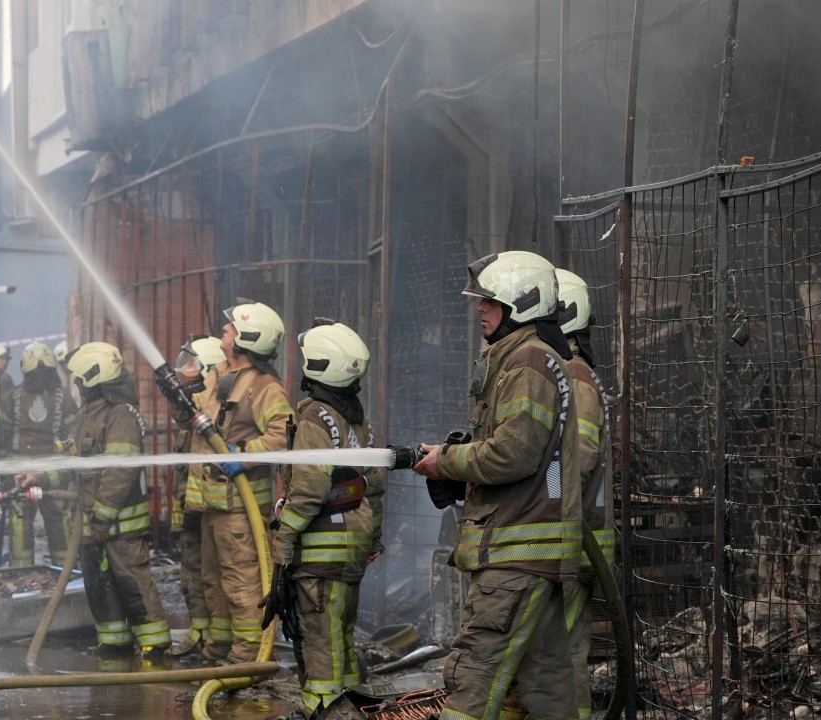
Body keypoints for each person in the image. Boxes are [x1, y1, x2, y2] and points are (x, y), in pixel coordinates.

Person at [411, 251, 582, 720]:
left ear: (521, 303)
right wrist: (456, 457)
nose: (479, 309)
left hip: (515, 552)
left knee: (473, 678)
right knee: (547, 687)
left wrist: (446, 462)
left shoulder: (526, 362)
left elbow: (514, 452)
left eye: (489, 300)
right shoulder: (531, 358)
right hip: (535, 554)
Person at [267, 319, 384, 719]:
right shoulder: (354, 418)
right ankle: (353, 704)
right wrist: (375, 537)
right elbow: (376, 481)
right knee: (342, 634)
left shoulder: (317, 416)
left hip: (321, 549)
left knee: (319, 637)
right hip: (352, 543)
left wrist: (285, 536)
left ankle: (325, 710)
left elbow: (311, 487)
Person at [185, 299, 292, 663]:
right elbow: (190, 418)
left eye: (229, 330)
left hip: (239, 513)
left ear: (246, 339)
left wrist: (243, 453)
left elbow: (283, 435)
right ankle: (218, 649)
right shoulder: (217, 374)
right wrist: (178, 394)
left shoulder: (264, 387)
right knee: (213, 582)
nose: (223, 333)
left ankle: (246, 656)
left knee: (242, 584)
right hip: (212, 505)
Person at [61, 341, 171, 656]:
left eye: (81, 380)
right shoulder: (89, 416)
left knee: (132, 585)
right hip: (95, 525)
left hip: (119, 526)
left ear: (94, 380)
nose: (78, 386)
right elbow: (71, 462)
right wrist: (37, 476)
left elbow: (118, 473)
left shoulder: (120, 415)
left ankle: (154, 644)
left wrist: (102, 518)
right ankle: (114, 643)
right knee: (100, 588)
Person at [554, 269, 614, 720]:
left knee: (562, 653)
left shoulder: (574, 376)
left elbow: (577, 459)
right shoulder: (570, 372)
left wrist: (537, 494)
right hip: (572, 532)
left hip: (576, 535)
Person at [166, 334, 226, 657]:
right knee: (190, 571)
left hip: (207, 509)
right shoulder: (190, 414)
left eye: (190, 364)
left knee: (210, 574)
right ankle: (199, 632)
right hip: (189, 507)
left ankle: (216, 642)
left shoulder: (213, 410)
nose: (182, 370)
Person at [5, 341, 77, 567]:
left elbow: (1, 437)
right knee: (57, 523)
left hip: (20, 475)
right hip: (52, 474)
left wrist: (5, 474)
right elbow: (72, 439)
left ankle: (20, 574)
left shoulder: (13, 397)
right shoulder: (64, 399)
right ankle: (66, 574)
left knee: (20, 523)